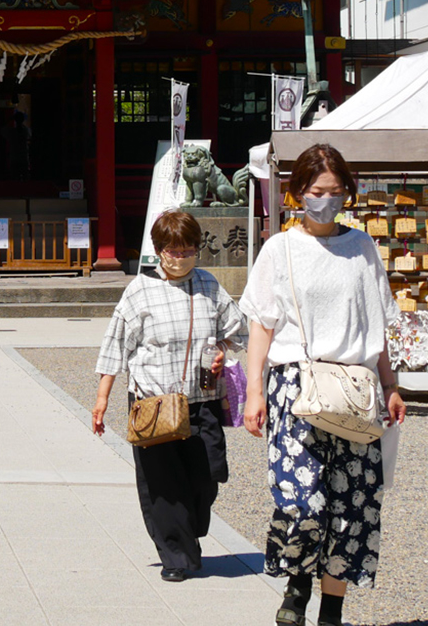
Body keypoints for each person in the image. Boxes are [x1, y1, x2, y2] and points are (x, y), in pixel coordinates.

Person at [240, 143, 406, 626]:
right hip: (295, 385)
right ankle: (296, 586)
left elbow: (375, 326)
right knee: (299, 499)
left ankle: (331, 609)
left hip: (356, 386)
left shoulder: (362, 247)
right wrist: (254, 392)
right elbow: (261, 327)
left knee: (353, 503)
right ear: (297, 194)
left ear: (347, 194)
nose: (325, 200)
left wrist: (391, 385)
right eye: (316, 191)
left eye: (335, 192)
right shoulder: (280, 248)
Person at [93, 209, 247, 582]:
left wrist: (225, 351)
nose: (181, 259)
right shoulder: (139, 291)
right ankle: (175, 556)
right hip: (154, 403)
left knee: (206, 476)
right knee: (163, 482)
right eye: (173, 251)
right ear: (159, 251)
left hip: (202, 399)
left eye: (188, 250)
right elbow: (116, 345)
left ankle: (187, 534)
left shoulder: (210, 285)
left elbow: (238, 331)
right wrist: (102, 400)